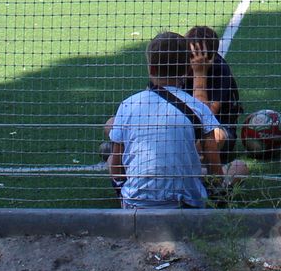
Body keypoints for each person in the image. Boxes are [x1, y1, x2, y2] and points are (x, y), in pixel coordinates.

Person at [104, 31, 229, 209]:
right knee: (238, 167)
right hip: (187, 207)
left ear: (151, 68)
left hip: (137, 206)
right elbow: (214, 166)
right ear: (187, 70)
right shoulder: (198, 107)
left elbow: (116, 165)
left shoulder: (127, 105)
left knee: (109, 159)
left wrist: (123, 193)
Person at [186, 25, 244, 158]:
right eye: (190, 55)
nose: (193, 60)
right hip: (184, 128)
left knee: (211, 139)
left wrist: (199, 72)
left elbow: (205, 118)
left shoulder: (220, 70)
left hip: (218, 127)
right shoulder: (178, 64)